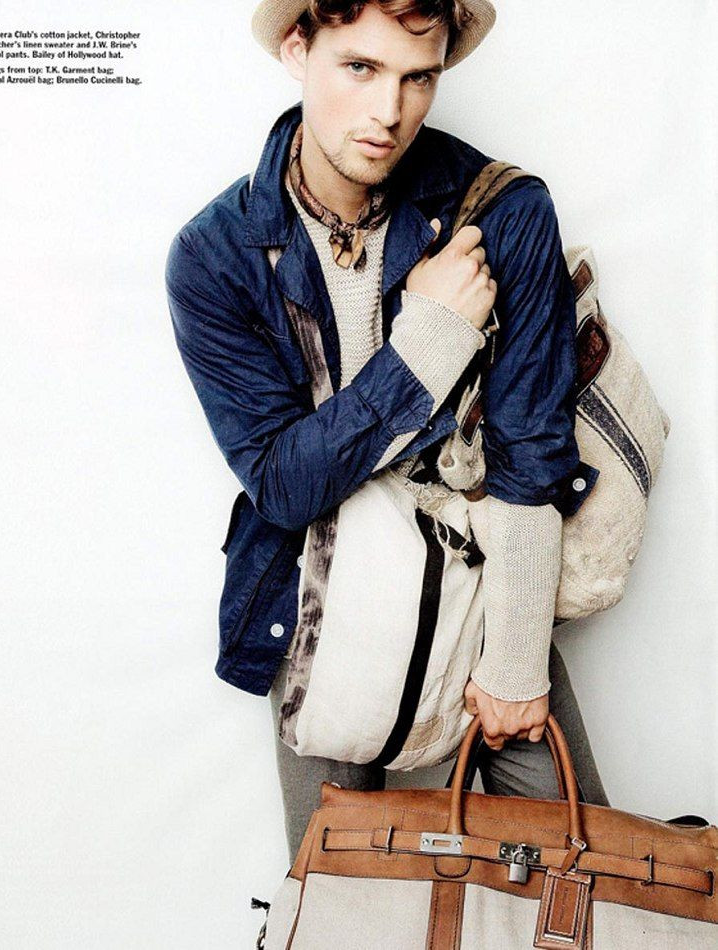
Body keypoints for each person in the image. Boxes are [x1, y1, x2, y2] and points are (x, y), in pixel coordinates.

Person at [165, 0, 608, 863]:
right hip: (316, 607)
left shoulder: (503, 210)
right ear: (298, 48)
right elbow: (284, 484)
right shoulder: (215, 256)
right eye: (360, 68)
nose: (389, 112)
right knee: (342, 899)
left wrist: (518, 665)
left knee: (581, 877)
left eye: (418, 77)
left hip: (485, 595)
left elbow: (531, 451)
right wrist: (427, 343)